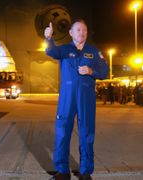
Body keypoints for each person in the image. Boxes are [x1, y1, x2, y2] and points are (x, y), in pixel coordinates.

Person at [45, 19, 109, 180]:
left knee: (87, 133)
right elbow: (51, 52)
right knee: (62, 132)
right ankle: (62, 171)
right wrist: (49, 38)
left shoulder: (93, 52)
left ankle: (85, 171)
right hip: (67, 97)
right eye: (78, 30)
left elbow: (104, 72)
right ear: (71, 33)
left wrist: (90, 70)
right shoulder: (65, 50)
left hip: (86, 98)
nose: (82, 33)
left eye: (84, 30)